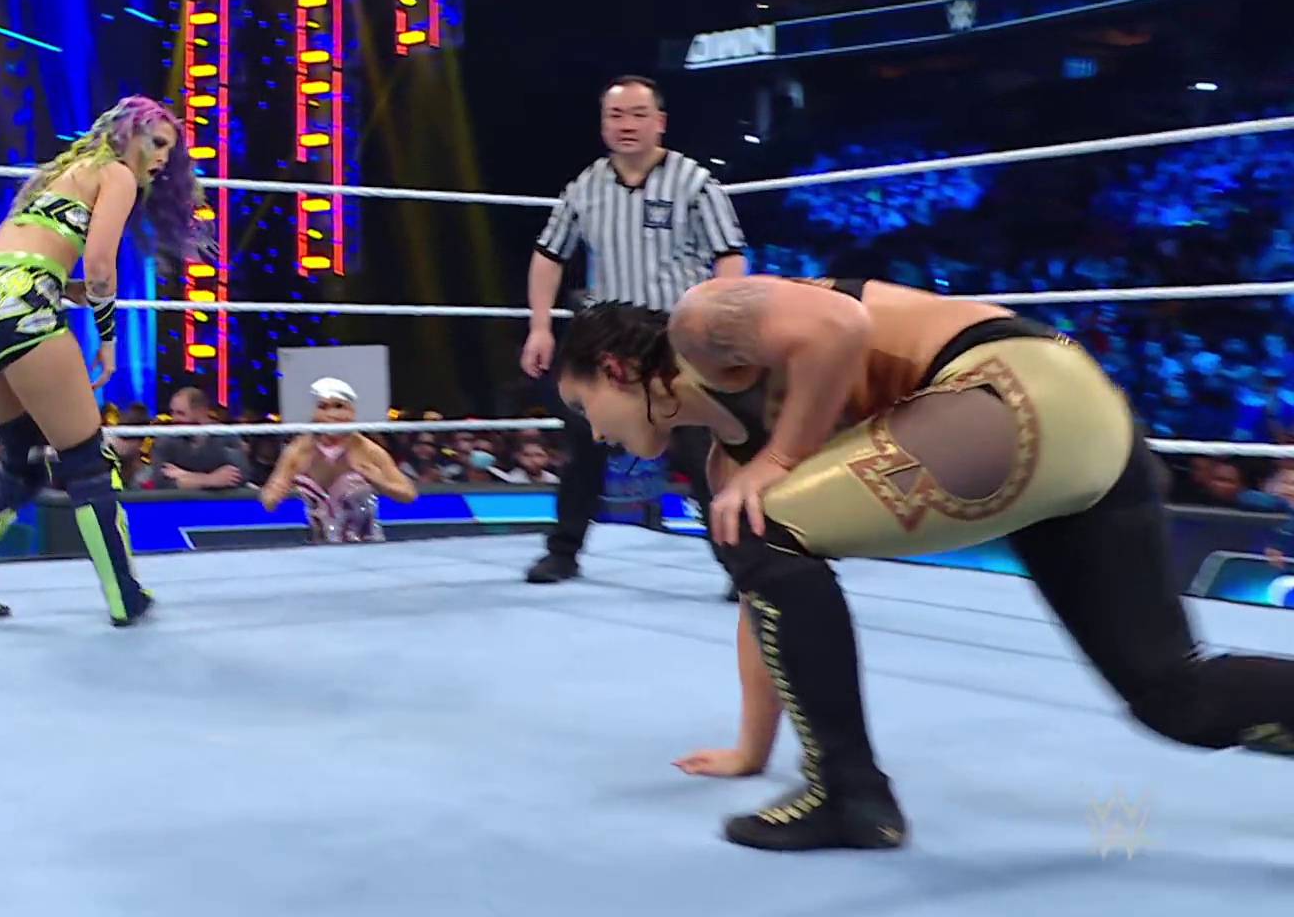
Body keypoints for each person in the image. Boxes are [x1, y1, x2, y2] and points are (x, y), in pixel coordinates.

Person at [552, 277, 1294, 852]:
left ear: (615, 368)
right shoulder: (730, 466)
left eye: (585, 409)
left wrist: (781, 458)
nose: (595, 435)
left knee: (760, 522)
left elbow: (837, 322)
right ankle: (843, 790)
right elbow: (768, 608)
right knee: (1173, 698)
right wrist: (751, 749)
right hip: (1078, 425)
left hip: (1014, 390)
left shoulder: (702, 323)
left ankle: (849, 795)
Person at [0, 95, 199, 625]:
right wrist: (107, 336)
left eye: (171, 150)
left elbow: (28, 256)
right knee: (88, 462)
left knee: (22, 460)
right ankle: (124, 595)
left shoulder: (60, 176)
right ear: (128, 134)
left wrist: (62, 287)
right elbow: (99, 265)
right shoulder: (117, 173)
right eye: (158, 143)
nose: (164, 158)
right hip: (21, 309)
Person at [521, 75, 746, 598]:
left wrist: (721, 324)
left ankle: (742, 564)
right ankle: (563, 551)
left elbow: (729, 257)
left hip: (676, 332)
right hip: (607, 334)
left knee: (699, 449)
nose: (627, 125)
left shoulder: (695, 182)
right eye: (616, 115)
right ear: (603, 124)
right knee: (584, 443)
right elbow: (548, 254)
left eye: (638, 114)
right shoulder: (585, 186)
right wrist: (539, 326)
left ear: (659, 122)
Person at [258, 377, 416, 541]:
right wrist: (276, 494)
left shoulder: (368, 451)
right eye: (323, 407)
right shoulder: (298, 451)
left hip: (366, 545)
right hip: (319, 546)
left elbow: (408, 494)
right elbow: (268, 500)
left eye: (339, 406)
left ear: (351, 412)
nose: (331, 414)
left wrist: (379, 481)